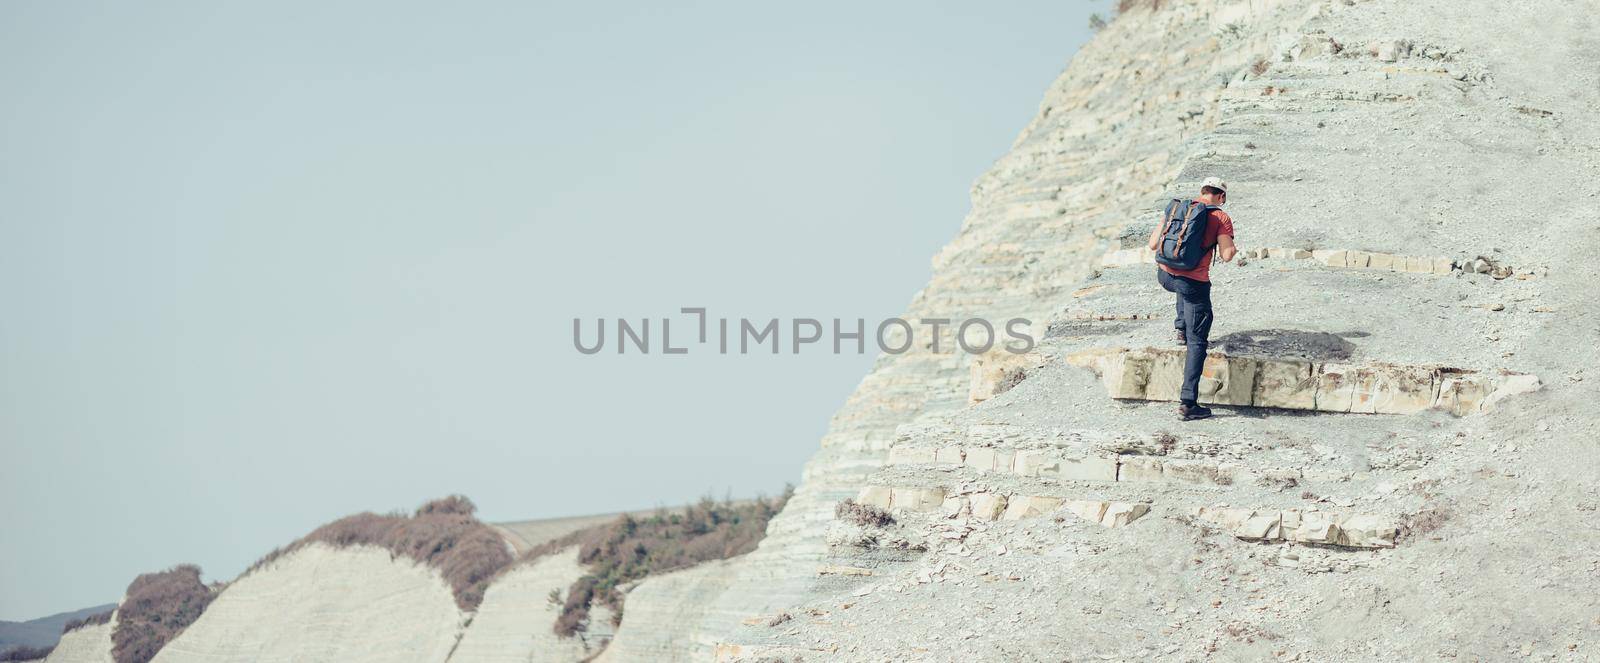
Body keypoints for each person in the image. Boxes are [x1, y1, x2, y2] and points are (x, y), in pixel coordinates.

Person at [1147, 176, 1237, 421]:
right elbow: (1227, 255)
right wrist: (1230, 245)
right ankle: (1188, 404)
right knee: (1198, 343)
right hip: (1193, 284)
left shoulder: (1177, 208)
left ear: (1201, 191)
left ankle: (1180, 328)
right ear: (1221, 196)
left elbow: (1153, 244)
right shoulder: (1220, 217)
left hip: (1164, 276)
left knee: (1181, 288)